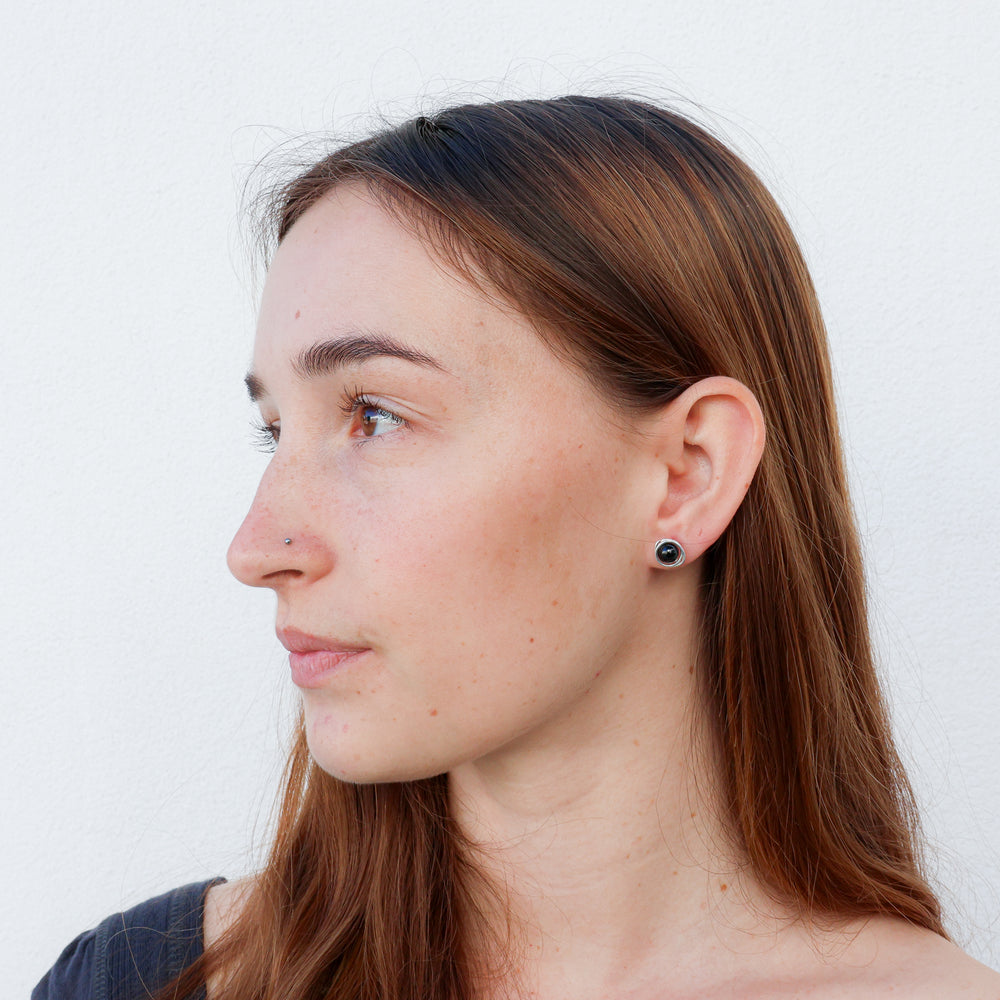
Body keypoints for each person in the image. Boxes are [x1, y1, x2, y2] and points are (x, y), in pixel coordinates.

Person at [33, 95, 1000, 1000]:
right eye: (273, 428)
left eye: (374, 415)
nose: (257, 548)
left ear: (687, 473)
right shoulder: (155, 978)